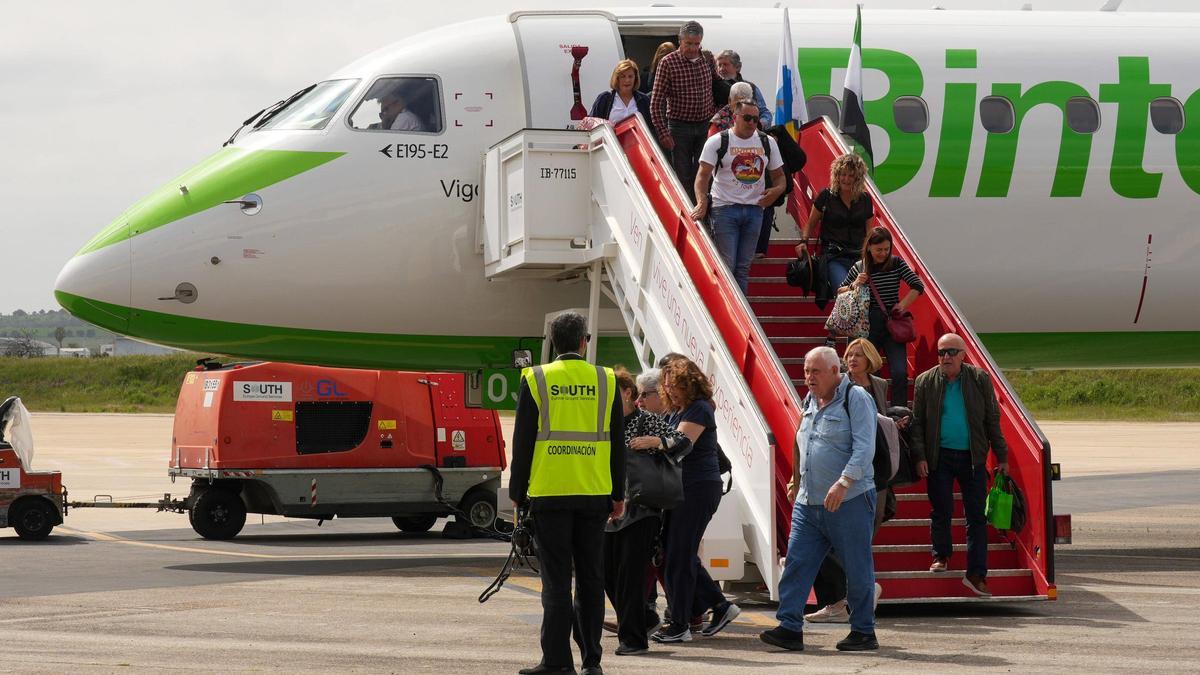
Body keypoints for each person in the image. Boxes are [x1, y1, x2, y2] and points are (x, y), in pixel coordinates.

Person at [509, 312, 626, 675]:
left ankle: (557, 661)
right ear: (583, 342)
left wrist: (517, 491)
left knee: (556, 581)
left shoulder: (538, 378)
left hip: (550, 495)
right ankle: (593, 661)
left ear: (554, 343)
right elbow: (617, 445)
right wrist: (618, 494)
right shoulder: (606, 380)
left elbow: (523, 440)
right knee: (591, 580)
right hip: (594, 494)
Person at [761, 346, 879, 653]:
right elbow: (806, 443)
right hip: (808, 502)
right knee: (797, 564)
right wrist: (795, 480)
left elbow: (865, 449)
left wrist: (843, 483)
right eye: (805, 371)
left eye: (815, 371)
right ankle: (789, 627)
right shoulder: (810, 399)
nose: (808, 378)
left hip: (849, 499)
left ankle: (864, 631)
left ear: (834, 372)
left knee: (857, 568)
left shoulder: (856, 399)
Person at [910, 333, 1009, 597]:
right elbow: (917, 423)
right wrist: (920, 456)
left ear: (964, 354)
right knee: (941, 509)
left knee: (976, 516)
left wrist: (1002, 456)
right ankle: (941, 555)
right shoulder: (925, 382)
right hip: (938, 456)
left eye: (952, 352)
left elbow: (992, 420)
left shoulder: (979, 379)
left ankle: (976, 574)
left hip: (973, 458)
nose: (945, 357)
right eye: (941, 352)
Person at [651, 357, 741, 643]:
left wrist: (652, 442)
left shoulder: (699, 409)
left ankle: (680, 623)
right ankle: (718, 605)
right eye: (667, 386)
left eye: (675, 385)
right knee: (673, 552)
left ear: (690, 385)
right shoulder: (675, 411)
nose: (671, 390)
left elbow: (679, 445)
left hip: (698, 488)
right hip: (680, 489)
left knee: (679, 554)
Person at [604, 367, 691, 656]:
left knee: (630, 574)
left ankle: (633, 640)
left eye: (612, 394)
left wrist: (656, 442)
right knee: (606, 573)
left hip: (642, 508)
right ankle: (644, 618)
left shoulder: (647, 421)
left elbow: (684, 443)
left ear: (628, 393)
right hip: (609, 508)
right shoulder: (601, 424)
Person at [805, 338, 889, 624]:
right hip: (832, 477)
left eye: (858, 355)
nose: (852, 359)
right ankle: (841, 600)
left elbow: (870, 439)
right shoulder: (829, 388)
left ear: (871, 359)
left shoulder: (875, 387)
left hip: (867, 474)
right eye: (849, 354)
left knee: (856, 546)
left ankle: (858, 608)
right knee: (832, 542)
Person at [692, 101, 785, 294]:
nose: (752, 123)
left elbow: (780, 177)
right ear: (735, 117)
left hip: (755, 210)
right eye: (747, 118)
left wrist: (776, 191)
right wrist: (702, 201)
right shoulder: (718, 141)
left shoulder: (768, 142)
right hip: (724, 209)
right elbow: (702, 176)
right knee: (727, 265)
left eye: (756, 119)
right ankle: (726, 309)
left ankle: (739, 314)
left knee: (742, 268)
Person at [838, 226, 925, 407]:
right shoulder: (859, 267)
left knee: (900, 371)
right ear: (869, 247)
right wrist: (855, 284)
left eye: (887, 249)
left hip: (892, 323)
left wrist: (902, 305)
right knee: (871, 370)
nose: (883, 253)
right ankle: (875, 409)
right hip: (866, 324)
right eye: (879, 250)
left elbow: (917, 285)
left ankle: (900, 410)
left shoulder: (896, 263)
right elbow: (840, 291)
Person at [650, 21, 726, 202]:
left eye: (696, 44)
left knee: (703, 172)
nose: (693, 48)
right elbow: (656, 102)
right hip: (679, 127)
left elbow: (718, 86)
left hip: (704, 125)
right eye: (688, 44)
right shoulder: (667, 63)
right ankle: (687, 212)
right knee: (682, 175)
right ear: (680, 41)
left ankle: (703, 212)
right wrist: (663, 133)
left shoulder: (707, 59)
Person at [796, 152, 874, 308]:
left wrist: (870, 255)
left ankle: (838, 330)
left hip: (858, 257)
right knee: (845, 293)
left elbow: (869, 231)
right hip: (833, 255)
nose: (845, 179)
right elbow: (811, 223)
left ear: (857, 178)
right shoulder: (826, 196)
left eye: (850, 175)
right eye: (842, 174)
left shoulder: (865, 200)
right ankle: (841, 330)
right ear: (836, 175)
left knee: (862, 297)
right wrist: (803, 241)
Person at [590, 59, 657, 139]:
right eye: (623, 76)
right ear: (617, 79)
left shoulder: (644, 100)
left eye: (630, 76)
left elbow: (652, 129)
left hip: (639, 148)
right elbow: (592, 126)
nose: (627, 80)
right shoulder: (604, 99)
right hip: (612, 148)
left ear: (635, 78)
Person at [714, 49, 771, 126]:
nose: (721, 69)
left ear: (738, 67)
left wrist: (760, 125)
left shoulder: (751, 87)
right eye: (719, 65)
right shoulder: (712, 88)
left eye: (725, 64)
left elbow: (764, 112)